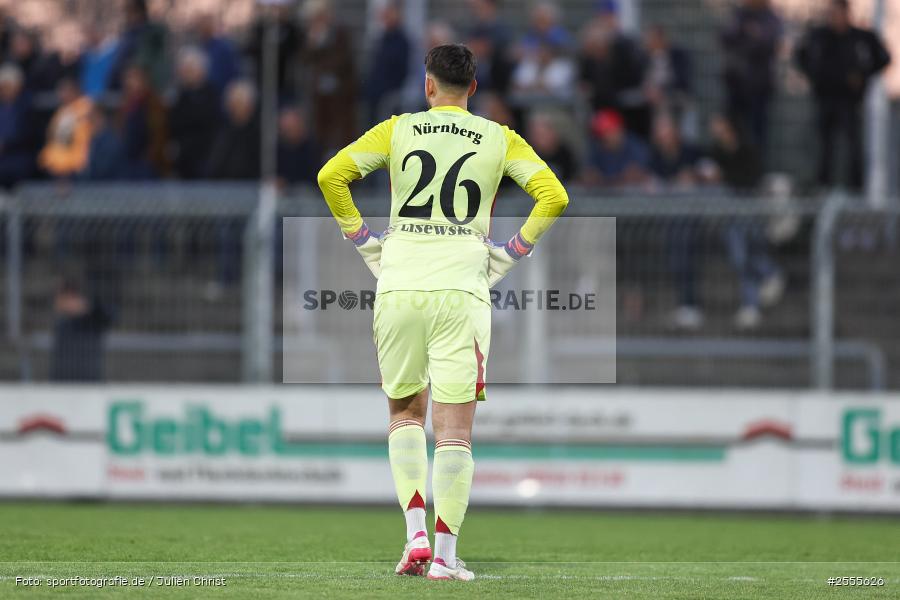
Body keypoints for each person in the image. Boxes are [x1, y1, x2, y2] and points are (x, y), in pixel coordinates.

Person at [317, 44, 568, 581]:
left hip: (399, 285)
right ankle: (447, 558)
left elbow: (331, 177)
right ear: (473, 90)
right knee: (454, 435)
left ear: (427, 86)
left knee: (405, 416)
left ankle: (414, 536)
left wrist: (364, 242)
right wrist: (508, 255)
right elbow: (554, 196)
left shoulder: (398, 129)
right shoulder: (499, 136)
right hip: (462, 290)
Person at [794, 0, 890, 190]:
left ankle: (856, 188)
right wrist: (815, 76)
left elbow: (883, 57)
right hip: (825, 99)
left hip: (849, 101)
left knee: (853, 145)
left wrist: (862, 75)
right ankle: (822, 186)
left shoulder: (861, 37)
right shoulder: (819, 36)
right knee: (824, 146)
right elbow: (800, 56)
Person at [719, 0, 782, 150]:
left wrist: (753, 35)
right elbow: (726, 37)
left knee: (757, 132)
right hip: (735, 82)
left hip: (759, 85)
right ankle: (734, 166)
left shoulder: (771, 18)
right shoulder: (739, 14)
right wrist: (745, 31)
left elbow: (769, 44)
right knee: (732, 129)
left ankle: (755, 169)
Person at [169, 47, 219, 179]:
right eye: (184, 69)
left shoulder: (212, 95)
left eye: (190, 69)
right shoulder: (180, 96)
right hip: (183, 160)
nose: (185, 73)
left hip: (205, 159)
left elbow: (207, 123)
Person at [50, 279, 113, 382]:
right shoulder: (61, 324)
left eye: (65, 298)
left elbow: (109, 315)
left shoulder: (92, 320)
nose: (59, 302)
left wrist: (87, 309)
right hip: (61, 384)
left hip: (87, 383)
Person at [38, 78, 94, 179]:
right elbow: (53, 137)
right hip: (57, 161)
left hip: (77, 162)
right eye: (60, 91)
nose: (62, 95)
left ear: (75, 91)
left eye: (65, 91)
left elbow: (81, 139)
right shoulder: (61, 111)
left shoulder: (85, 108)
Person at [366, 1, 411, 124]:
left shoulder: (402, 41)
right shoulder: (382, 38)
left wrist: (389, 89)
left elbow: (401, 69)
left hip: (388, 94)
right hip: (375, 93)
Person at [584, 108, 650, 187]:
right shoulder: (597, 148)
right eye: (602, 136)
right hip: (605, 195)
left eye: (608, 132)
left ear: (618, 130)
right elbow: (588, 175)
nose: (606, 138)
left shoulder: (636, 147)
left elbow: (638, 175)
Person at [0, 63, 37, 188]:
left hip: (19, 157)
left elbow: (28, 135)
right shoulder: (2, 107)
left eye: (7, 86)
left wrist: (5, 144)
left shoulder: (26, 106)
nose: (4, 90)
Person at [276, 107, 318, 188]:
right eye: (285, 129)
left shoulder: (311, 148)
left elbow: (312, 177)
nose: (287, 132)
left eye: (290, 128)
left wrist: (286, 182)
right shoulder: (279, 147)